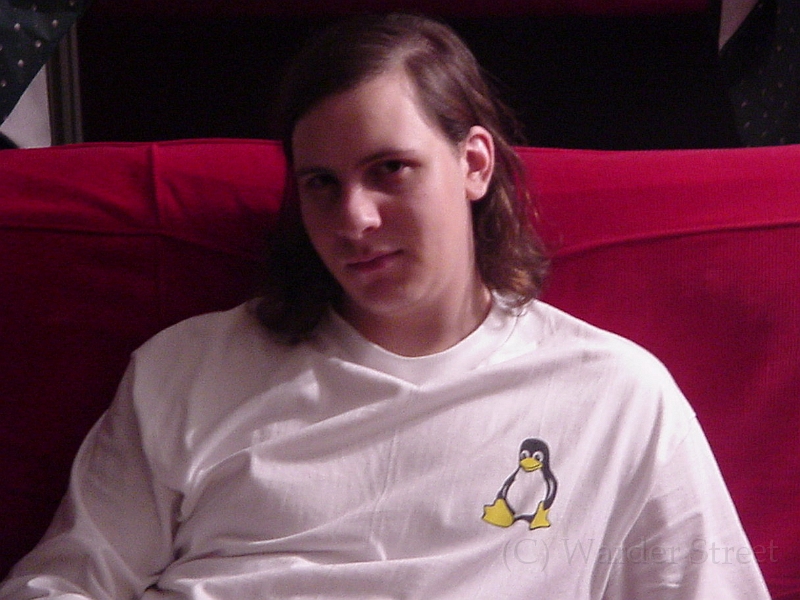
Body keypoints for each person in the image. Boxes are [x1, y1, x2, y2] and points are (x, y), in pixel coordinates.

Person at [0, 12, 770, 600]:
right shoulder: (188, 369)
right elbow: (62, 585)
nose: (354, 219)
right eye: (321, 184)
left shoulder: (616, 396)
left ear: (474, 164)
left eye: (390, 170)